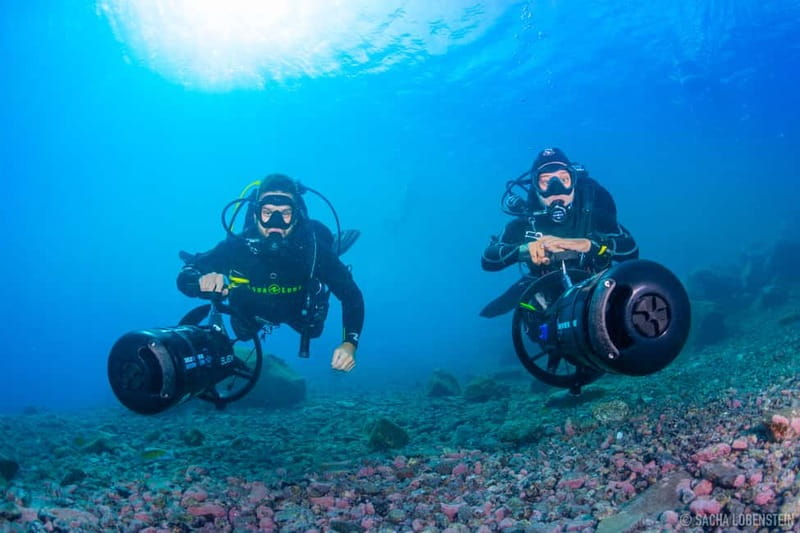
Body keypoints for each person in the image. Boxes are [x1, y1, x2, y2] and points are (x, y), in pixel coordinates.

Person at [177, 174, 364, 372]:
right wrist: (200, 282)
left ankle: (331, 244)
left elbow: (352, 296)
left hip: (299, 311)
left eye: (285, 213)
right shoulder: (236, 247)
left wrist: (350, 343)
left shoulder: (314, 250)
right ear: (256, 214)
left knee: (314, 330)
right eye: (267, 212)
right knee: (243, 332)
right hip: (251, 311)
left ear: (296, 215)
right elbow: (186, 275)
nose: (276, 222)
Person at [480, 147, 638, 316]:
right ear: (535, 187)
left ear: (574, 182)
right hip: (548, 303)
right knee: (528, 310)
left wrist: (593, 246)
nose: (556, 189)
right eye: (546, 182)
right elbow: (488, 260)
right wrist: (521, 251)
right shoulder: (525, 224)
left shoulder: (593, 215)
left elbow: (631, 251)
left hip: (599, 293)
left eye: (564, 179)